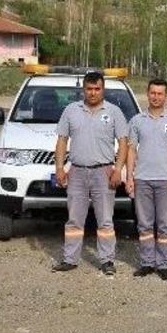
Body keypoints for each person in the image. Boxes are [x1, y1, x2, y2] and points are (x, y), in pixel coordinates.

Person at [52, 71, 128, 275]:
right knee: (74, 219)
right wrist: (59, 168)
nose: (93, 93)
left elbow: (123, 143)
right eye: (89, 89)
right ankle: (70, 259)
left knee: (105, 220)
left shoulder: (114, 112)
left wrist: (118, 169)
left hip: (104, 172)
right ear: (83, 90)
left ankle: (107, 260)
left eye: (97, 89)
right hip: (77, 171)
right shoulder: (71, 110)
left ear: (103, 89)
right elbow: (62, 141)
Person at [125, 79, 167, 282]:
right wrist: (130, 177)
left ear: (166, 96)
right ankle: (147, 262)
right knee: (144, 225)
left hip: (165, 180)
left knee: (165, 225)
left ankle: (163, 264)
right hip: (142, 179)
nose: (156, 97)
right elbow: (131, 150)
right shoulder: (137, 121)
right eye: (153, 93)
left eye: (160, 93)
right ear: (147, 93)